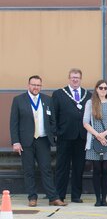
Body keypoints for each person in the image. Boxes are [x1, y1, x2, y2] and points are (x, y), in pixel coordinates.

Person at [10, 75, 65, 207]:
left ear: (41, 86)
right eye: (33, 85)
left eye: (38, 85)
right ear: (28, 85)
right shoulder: (18, 100)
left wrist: (52, 134)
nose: (36, 87)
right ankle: (32, 197)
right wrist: (15, 141)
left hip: (43, 140)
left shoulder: (47, 100)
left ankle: (53, 198)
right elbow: (14, 123)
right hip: (26, 142)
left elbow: (52, 120)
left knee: (46, 169)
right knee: (29, 170)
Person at [52, 68, 90, 203]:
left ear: (81, 79)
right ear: (69, 78)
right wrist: (56, 133)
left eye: (77, 78)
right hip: (65, 137)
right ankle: (59, 195)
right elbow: (54, 116)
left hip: (82, 137)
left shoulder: (88, 95)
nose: (75, 80)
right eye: (73, 77)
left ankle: (76, 195)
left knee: (79, 167)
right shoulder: (59, 94)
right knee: (62, 167)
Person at [82, 80, 107, 206]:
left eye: (105, 88)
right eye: (101, 88)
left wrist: (104, 134)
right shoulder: (90, 103)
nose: (103, 90)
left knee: (105, 169)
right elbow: (86, 122)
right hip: (94, 140)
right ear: (96, 89)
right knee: (96, 169)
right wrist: (97, 135)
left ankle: (104, 198)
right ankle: (98, 199)